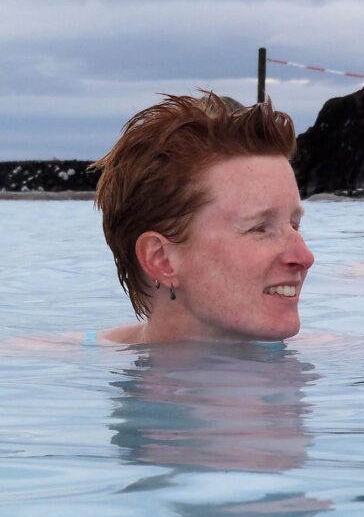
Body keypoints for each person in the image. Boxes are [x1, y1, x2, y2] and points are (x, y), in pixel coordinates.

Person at [91, 91, 315, 344]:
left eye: (294, 225)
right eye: (260, 228)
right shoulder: (67, 358)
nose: (305, 257)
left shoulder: (342, 353)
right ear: (162, 259)